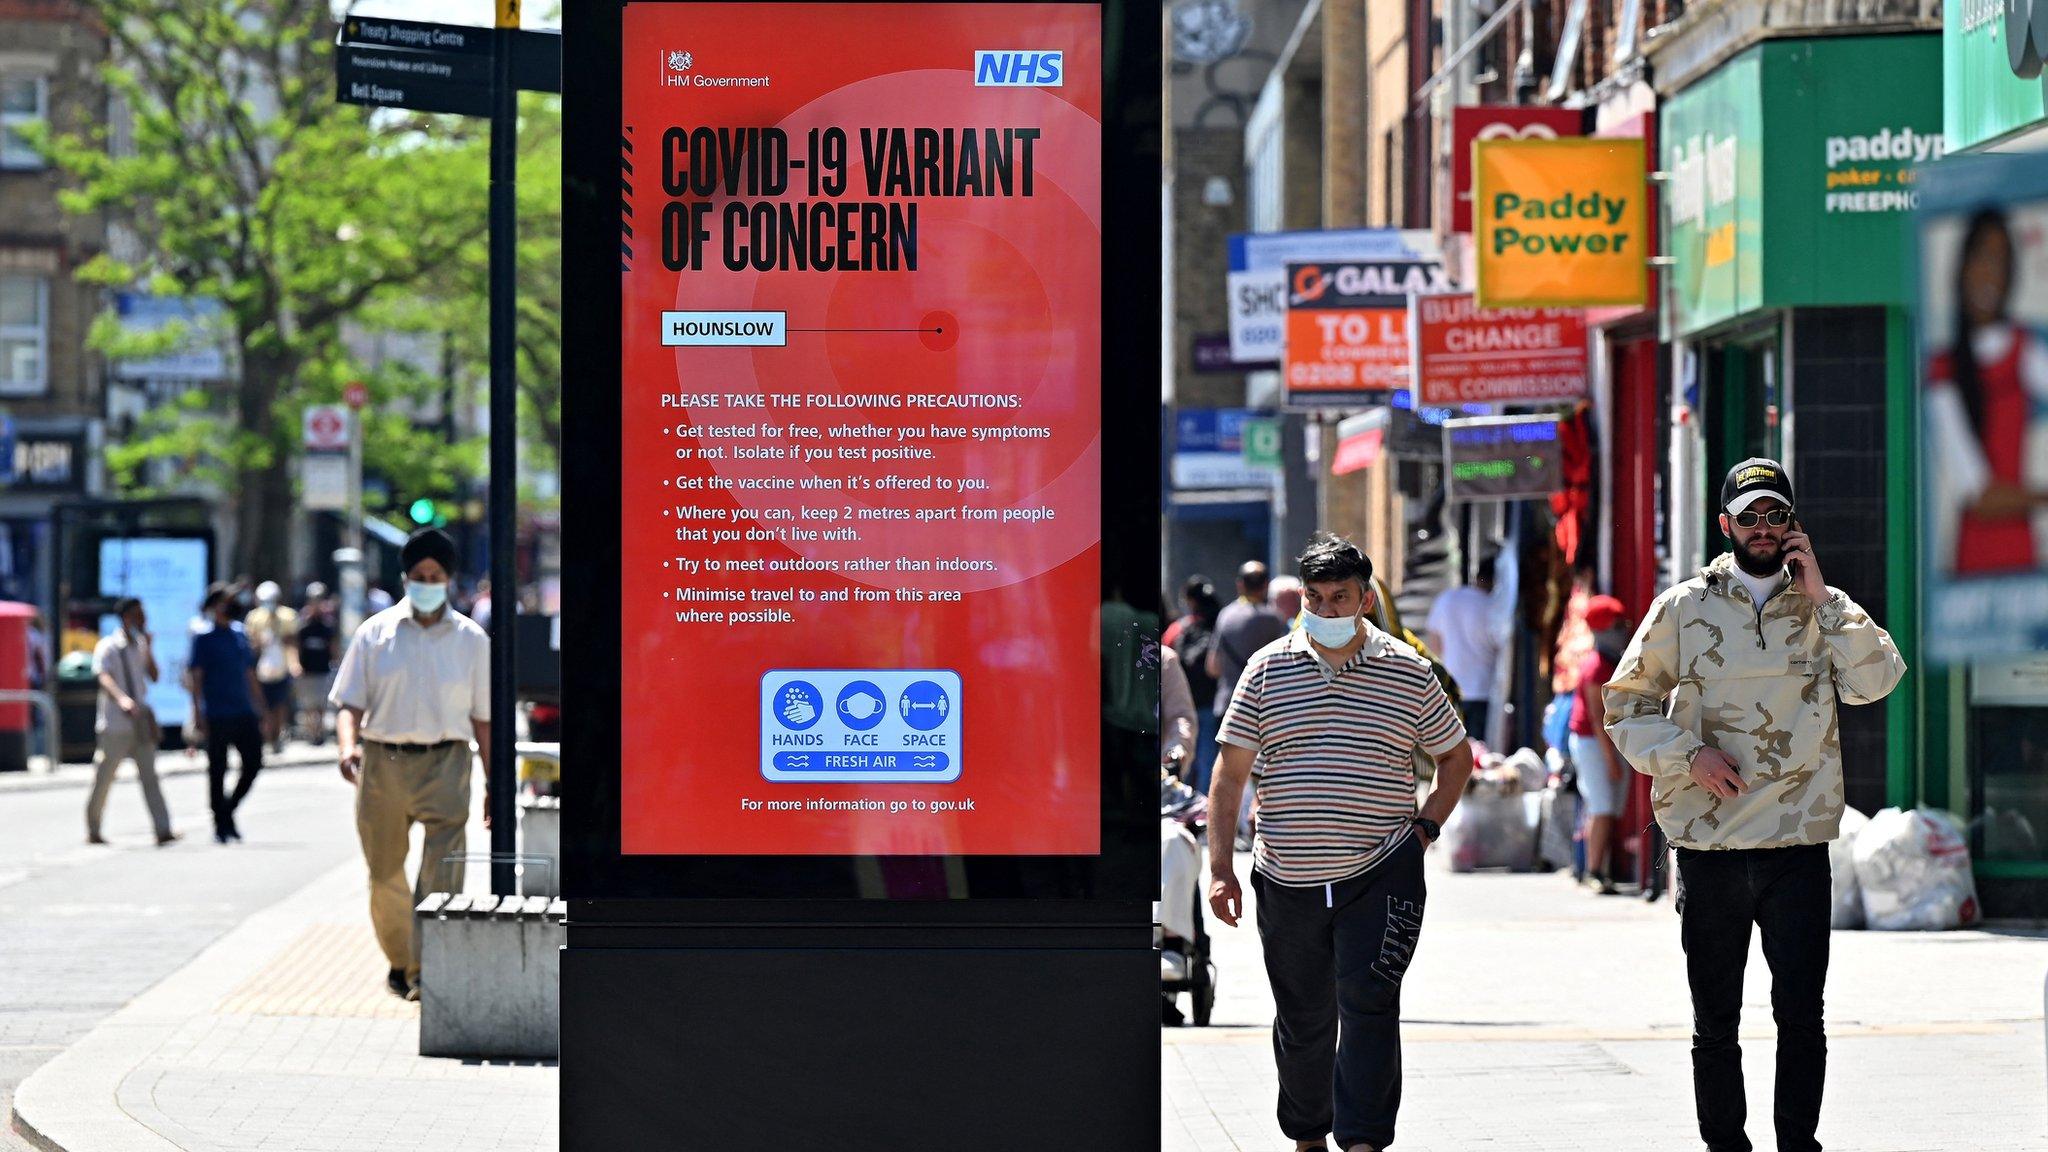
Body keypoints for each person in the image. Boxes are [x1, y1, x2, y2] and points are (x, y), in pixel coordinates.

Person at [1604, 459, 1905, 1152]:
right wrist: (1688, 755)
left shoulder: (1825, 609)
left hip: (1797, 846)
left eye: (1776, 515)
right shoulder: (1684, 607)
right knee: (1715, 1020)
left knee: (1802, 1016)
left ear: (1794, 525)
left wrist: (1824, 596)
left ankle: (1798, 1143)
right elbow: (1625, 705)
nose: (1763, 529)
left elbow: (1876, 683)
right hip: (1709, 847)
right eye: (1750, 516)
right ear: (1725, 526)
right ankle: (1726, 1146)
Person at [1207, 533, 1475, 1152]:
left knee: (1370, 1008)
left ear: (1365, 598)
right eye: (1316, 598)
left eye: (1340, 598)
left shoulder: (1408, 671)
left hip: (1382, 874)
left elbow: (1455, 758)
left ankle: (1362, 1139)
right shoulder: (1266, 669)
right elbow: (1230, 775)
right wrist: (1221, 867)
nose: (1327, 611)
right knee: (1303, 1023)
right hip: (1286, 880)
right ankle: (1307, 1135)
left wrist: (1425, 829)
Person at [331, 529, 492, 1002]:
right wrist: (347, 748)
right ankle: (401, 960)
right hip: (384, 763)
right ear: (406, 579)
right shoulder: (374, 633)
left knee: (444, 872)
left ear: (449, 580)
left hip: (447, 762)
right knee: (384, 873)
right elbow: (349, 703)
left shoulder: (472, 640)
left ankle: (427, 969)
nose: (427, 582)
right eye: (419, 575)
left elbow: (484, 719)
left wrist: (493, 780)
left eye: (436, 576)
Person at [1926, 207, 2048, 575]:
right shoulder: (1943, 372)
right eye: (1981, 256)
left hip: (2023, 555)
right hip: (1974, 563)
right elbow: (1979, 496)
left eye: (2000, 259)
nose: (1989, 271)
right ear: (1962, 268)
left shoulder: (2025, 349)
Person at [85, 598, 175, 847]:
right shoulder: (109, 646)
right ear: (127, 617)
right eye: (138, 615)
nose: (143, 620)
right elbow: (103, 676)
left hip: (141, 722)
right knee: (104, 776)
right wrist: (122, 699)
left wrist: (151, 648)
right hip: (116, 723)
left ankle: (163, 828)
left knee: (150, 776)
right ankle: (93, 828)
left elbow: (154, 676)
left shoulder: (141, 645)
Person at [186, 583, 267, 844]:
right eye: (226, 600)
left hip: (242, 709)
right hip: (217, 712)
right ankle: (220, 823)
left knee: (253, 763)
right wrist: (197, 712)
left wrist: (260, 705)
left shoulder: (240, 633)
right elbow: (196, 677)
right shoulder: (203, 637)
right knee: (218, 768)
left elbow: (249, 673)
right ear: (214, 606)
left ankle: (227, 811)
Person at [1567, 594, 1630, 894]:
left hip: (1601, 743)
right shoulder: (1595, 666)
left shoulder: (1608, 660)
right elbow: (1596, 718)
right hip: (1593, 743)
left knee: (1604, 808)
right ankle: (1593, 871)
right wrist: (1610, 761)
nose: (1624, 630)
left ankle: (1595, 869)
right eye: (1618, 625)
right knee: (1601, 808)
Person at [1425, 557, 1501, 740]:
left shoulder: (1447, 599)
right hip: (1483, 691)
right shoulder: (1493, 607)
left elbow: (1434, 643)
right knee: (1480, 755)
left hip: (1450, 690)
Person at [1167, 577, 1223, 791]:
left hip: (1181, 705)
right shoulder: (1219, 624)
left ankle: (1179, 805)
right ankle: (1202, 812)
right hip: (1209, 703)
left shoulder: (1177, 629)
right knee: (1207, 761)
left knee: (1181, 760)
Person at [245, 580, 300, 752]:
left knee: (279, 704)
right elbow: (250, 644)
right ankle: (266, 736)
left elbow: (292, 642)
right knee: (263, 704)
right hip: (261, 669)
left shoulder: (288, 616)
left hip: (281, 667)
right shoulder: (254, 617)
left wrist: (294, 664)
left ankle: (277, 735)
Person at [295, 583, 338, 744]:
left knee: (320, 705)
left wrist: (335, 664)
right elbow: (297, 646)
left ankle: (319, 732)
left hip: (322, 670)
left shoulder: (327, 626)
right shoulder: (303, 625)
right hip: (307, 671)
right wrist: (297, 665)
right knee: (308, 706)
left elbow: (333, 647)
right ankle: (311, 732)